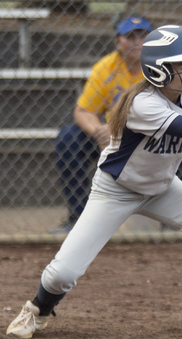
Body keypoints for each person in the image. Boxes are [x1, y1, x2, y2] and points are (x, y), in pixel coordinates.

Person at [6, 25, 182, 339]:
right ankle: (36, 310)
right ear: (158, 69)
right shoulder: (142, 103)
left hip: (162, 186)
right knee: (63, 274)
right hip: (117, 190)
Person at [51, 15, 152, 234]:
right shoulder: (106, 68)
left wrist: (118, 130)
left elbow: (167, 114)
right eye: (130, 36)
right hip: (109, 139)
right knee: (68, 138)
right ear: (118, 42)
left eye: (143, 36)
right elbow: (83, 111)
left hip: (150, 136)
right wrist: (99, 132)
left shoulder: (159, 67)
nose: (137, 42)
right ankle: (79, 219)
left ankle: (169, 222)